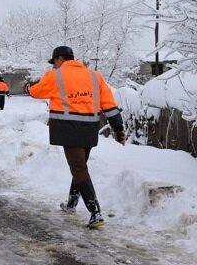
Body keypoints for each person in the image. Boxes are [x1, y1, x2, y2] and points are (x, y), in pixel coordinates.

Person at [23, 46, 126, 229]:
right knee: (80, 167)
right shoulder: (95, 76)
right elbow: (109, 105)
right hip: (89, 129)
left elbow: (37, 92)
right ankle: (71, 204)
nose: (54, 66)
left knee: (78, 168)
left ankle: (96, 213)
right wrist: (118, 129)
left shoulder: (55, 76)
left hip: (68, 128)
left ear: (60, 59)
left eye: (54, 62)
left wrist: (27, 88)